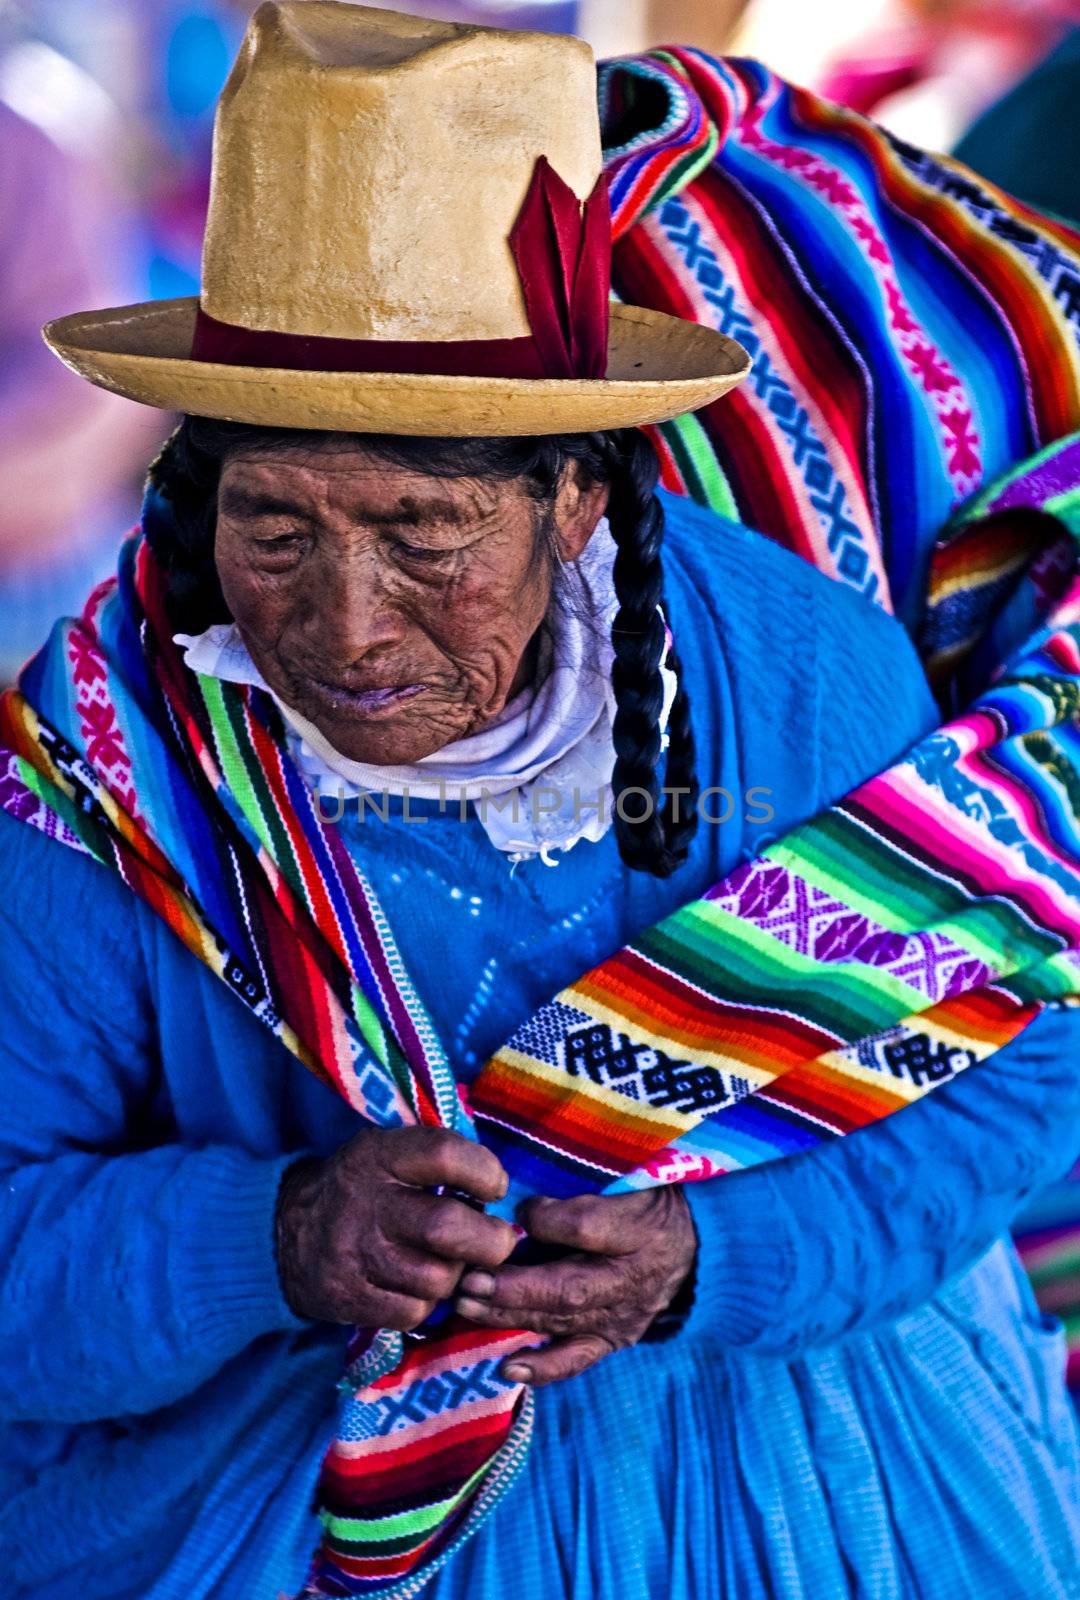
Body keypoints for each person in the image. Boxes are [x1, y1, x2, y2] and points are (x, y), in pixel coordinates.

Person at [1, 6, 1079, 1599]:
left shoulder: (795, 689)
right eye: (276, 530)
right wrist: (278, 1237)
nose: (347, 627)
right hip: (285, 1505)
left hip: (805, 1486)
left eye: (425, 534)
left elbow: (1012, 1065)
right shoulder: (109, 777)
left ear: (579, 495)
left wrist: (721, 1259)